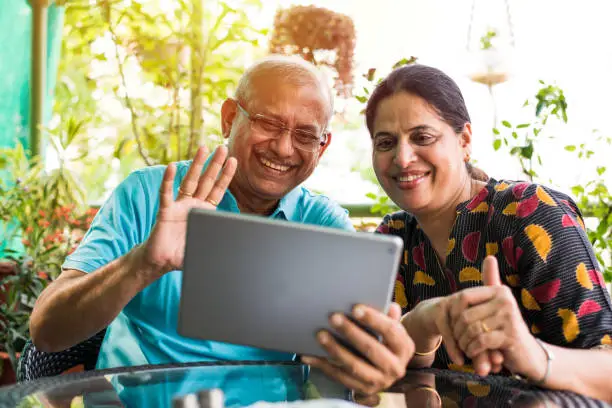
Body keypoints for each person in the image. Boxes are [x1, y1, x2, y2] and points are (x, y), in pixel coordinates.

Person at [29, 56, 413, 396]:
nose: (283, 148)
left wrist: (374, 355)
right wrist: (146, 263)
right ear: (230, 118)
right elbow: (47, 331)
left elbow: (344, 359)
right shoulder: (148, 194)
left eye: (304, 135)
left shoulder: (325, 225)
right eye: (268, 122)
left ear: (322, 147)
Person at [307, 64, 612, 402]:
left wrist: (533, 354)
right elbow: (364, 368)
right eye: (386, 142)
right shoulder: (392, 241)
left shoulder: (530, 213)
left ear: (464, 140)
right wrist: (421, 326)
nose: (403, 158)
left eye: (422, 137)